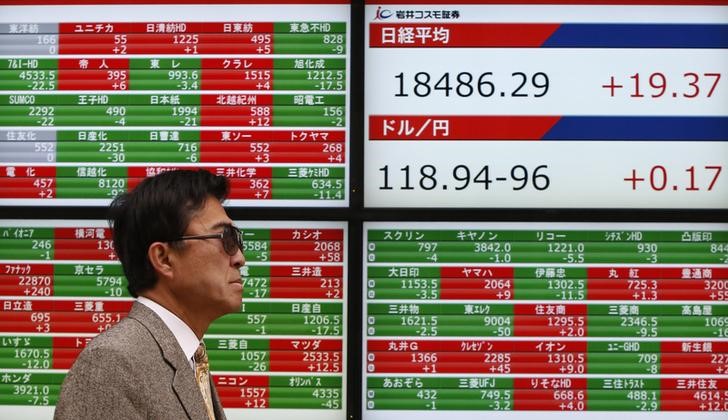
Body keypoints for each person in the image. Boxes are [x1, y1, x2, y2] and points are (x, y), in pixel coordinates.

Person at [55, 169, 245, 420]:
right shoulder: (112, 363)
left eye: (238, 240)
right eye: (226, 238)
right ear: (164, 258)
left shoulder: (188, 358)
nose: (240, 258)